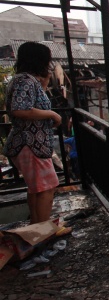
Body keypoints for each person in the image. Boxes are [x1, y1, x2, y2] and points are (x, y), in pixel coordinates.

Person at [4, 42, 62, 224]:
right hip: (30, 144)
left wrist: (44, 82)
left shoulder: (24, 80)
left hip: (30, 144)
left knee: (37, 188)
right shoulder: (25, 81)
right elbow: (20, 110)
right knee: (47, 188)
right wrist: (52, 114)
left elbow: (35, 103)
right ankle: (42, 233)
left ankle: (36, 229)